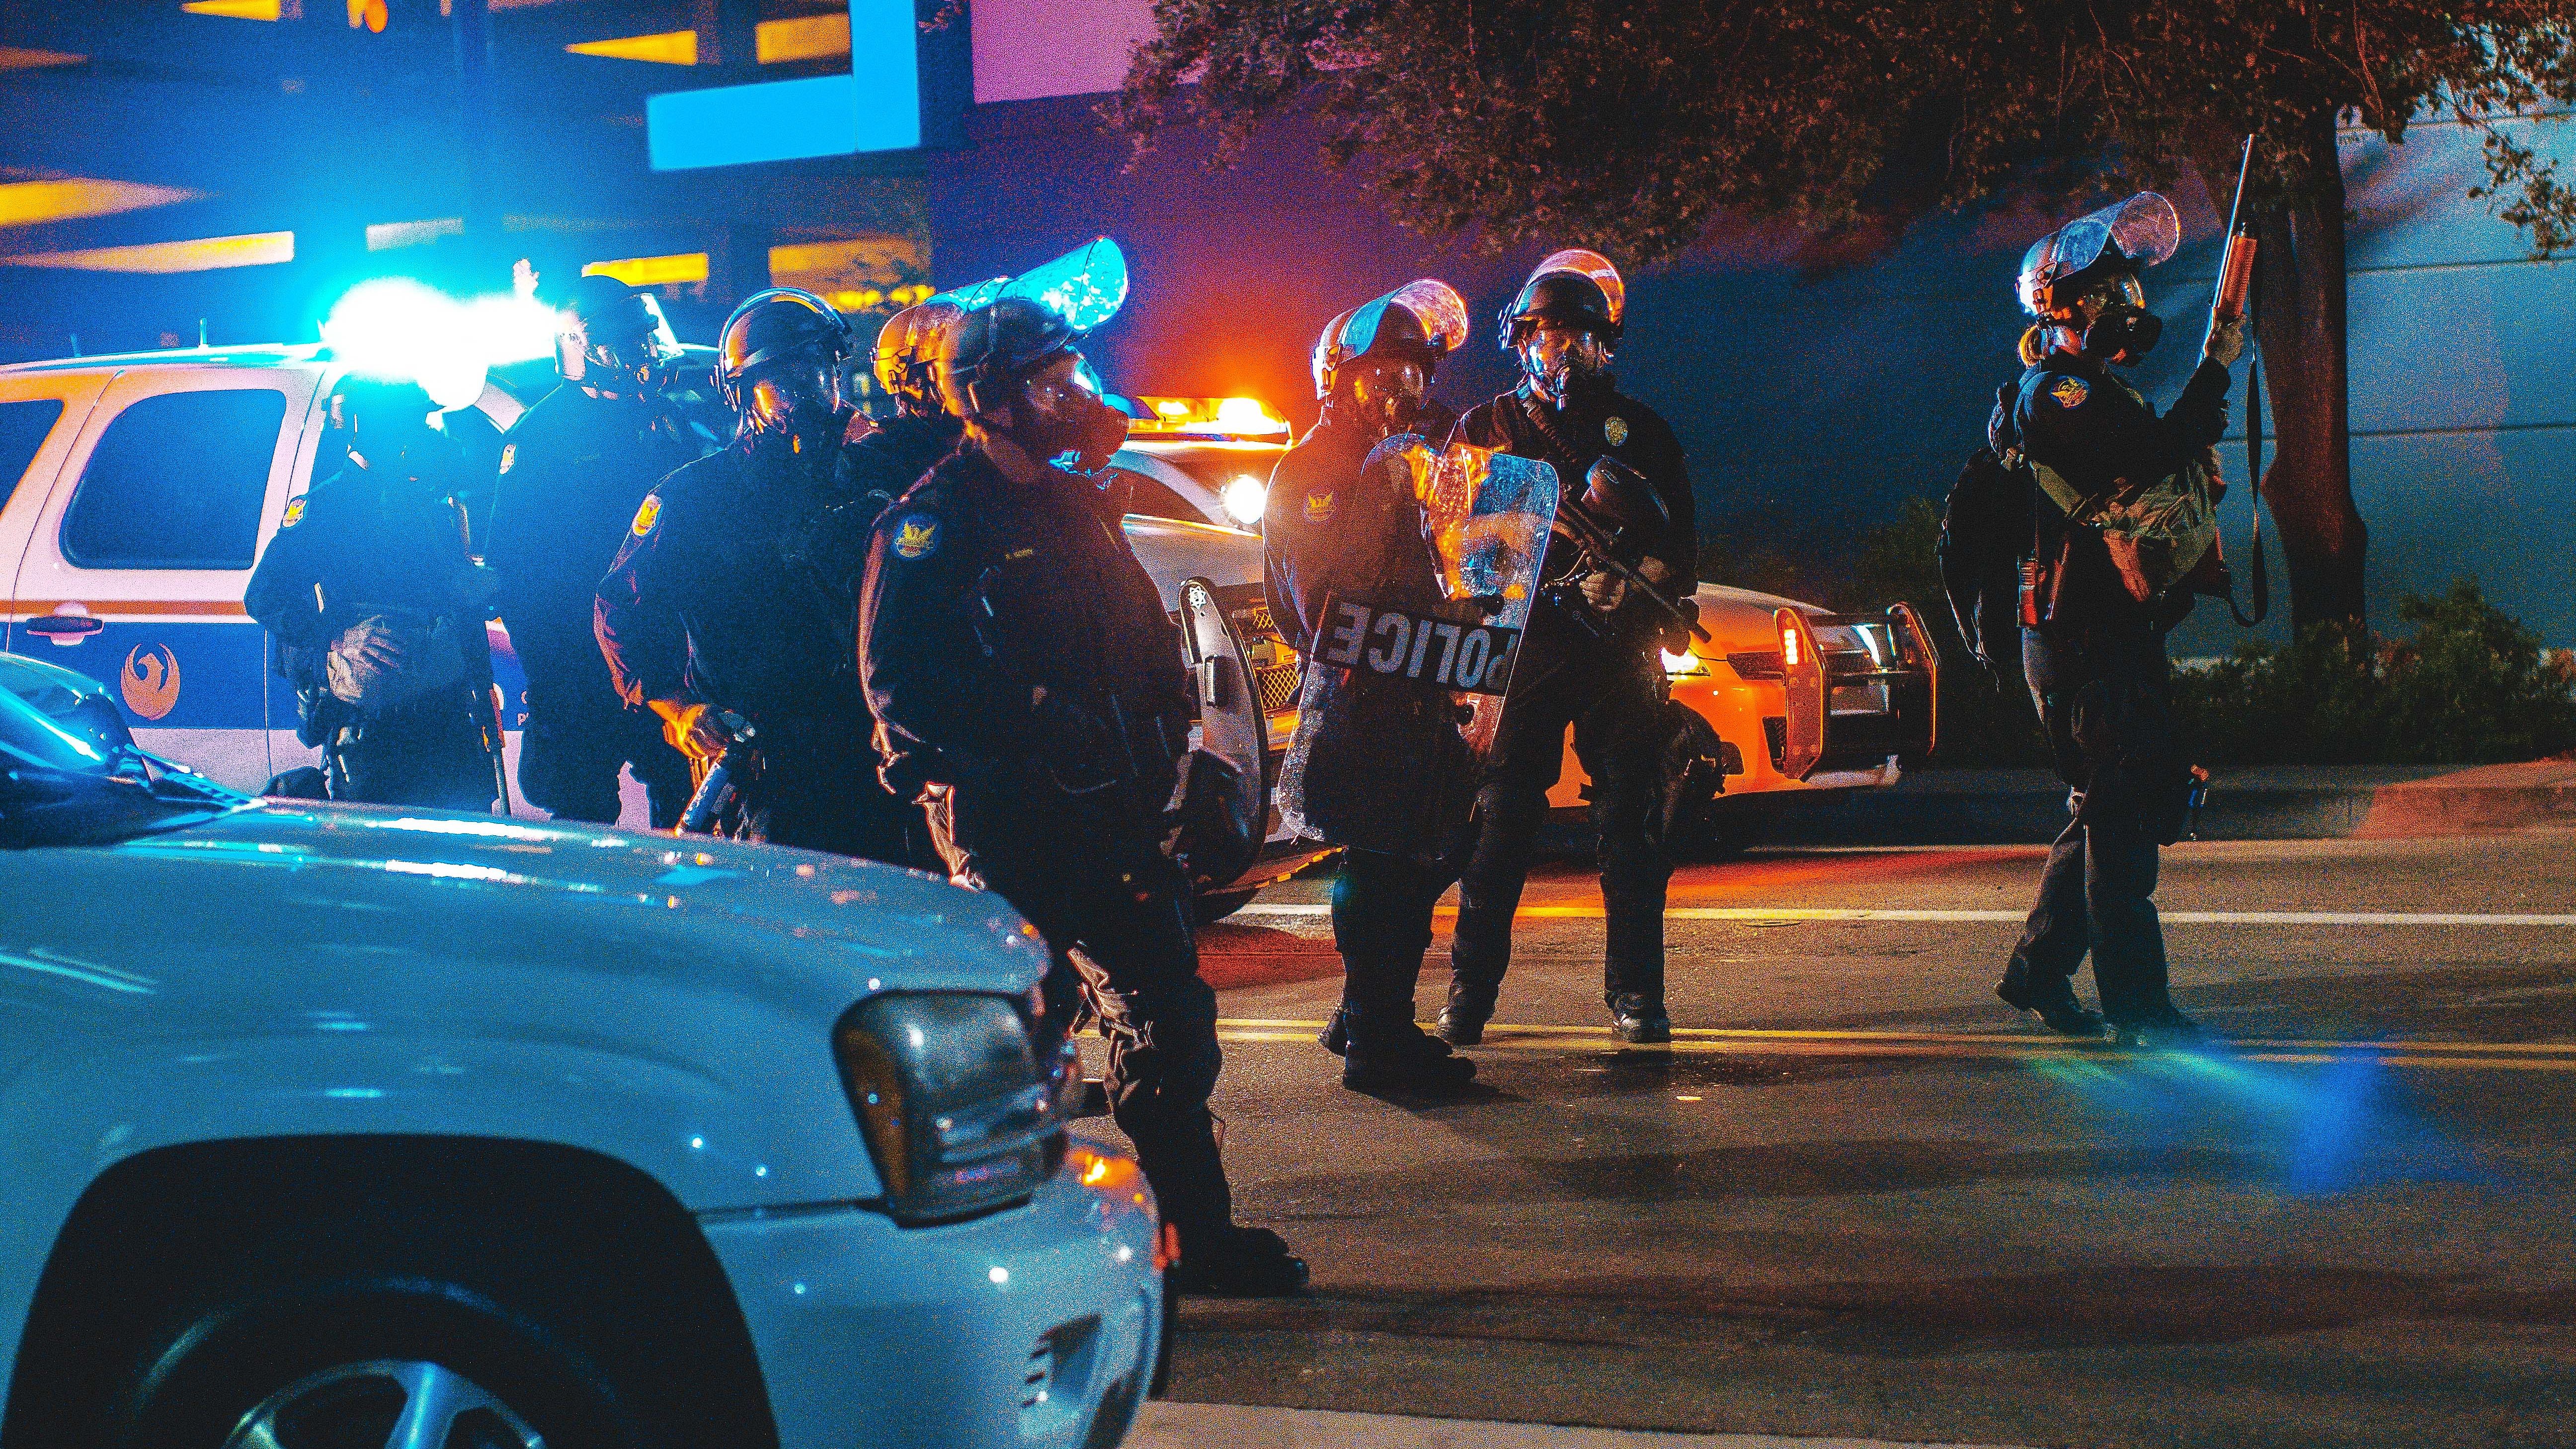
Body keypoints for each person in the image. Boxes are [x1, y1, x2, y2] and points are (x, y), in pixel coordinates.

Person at [857, 295, 1308, 1296]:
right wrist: (1010, 735)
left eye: (1075, 376)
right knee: (1020, 1043)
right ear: (991, 399)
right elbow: (896, 687)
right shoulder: (935, 523)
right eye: (1051, 383)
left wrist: (1186, 759)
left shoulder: (1075, 509)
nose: (1075, 396)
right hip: (1013, 826)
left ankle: (1198, 1235)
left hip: (1114, 814)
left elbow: (1145, 652)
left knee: (1171, 1023)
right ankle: (1012, 1254)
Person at [1994, 193, 2244, 1046]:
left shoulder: (2097, 389)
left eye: (2123, 293)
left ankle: (2033, 974)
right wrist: (2212, 370)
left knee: (2100, 811)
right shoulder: (2056, 393)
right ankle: (2138, 1009)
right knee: (2120, 826)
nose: (2122, 309)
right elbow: (2144, 458)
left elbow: (2152, 476)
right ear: (2061, 311)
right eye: (2102, 296)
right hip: (2078, 640)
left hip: (2107, 633)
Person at [1441, 251, 1697, 1045]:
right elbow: (1448, 539)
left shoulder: (1642, 430)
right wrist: (1518, 572)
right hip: (1522, 654)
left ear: (1606, 347)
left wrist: (1637, 578)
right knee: (1500, 826)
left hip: (1618, 653)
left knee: (1633, 827)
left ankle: (1636, 997)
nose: (1566, 351)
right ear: (1519, 341)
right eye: (1549, 335)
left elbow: (1682, 544)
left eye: (1584, 338)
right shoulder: (1486, 429)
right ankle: (1468, 996)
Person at [593, 287, 916, 862]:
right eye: (781, 379)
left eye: (817, 370)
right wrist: (680, 708)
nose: (806, 391)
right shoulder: (696, 495)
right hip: (767, 769)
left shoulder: (879, 475)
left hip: (877, 757)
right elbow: (621, 609)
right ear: (741, 391)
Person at [1263, 279, 1481, 1095]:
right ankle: (1376, 1041)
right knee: (1381, 860)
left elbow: (1440, 568)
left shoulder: (1406, 464)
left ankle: (1366, 1012)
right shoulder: (1319, 468)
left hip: (1419, 681)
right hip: (1360, 692)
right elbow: (1321, 596)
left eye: (1416, 375)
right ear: (1343, 376)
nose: (1403, 390)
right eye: (1385, 373)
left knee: (1435, 844)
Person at [485, 274, 698, 827]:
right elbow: (514, 570)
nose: (642, 354)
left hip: (660, 662)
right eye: (627, 343)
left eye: (644, 339)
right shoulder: (540, 438)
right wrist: (553, 676)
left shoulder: (665, 421)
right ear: (579, 349)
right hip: (578, 669)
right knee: (583, 817)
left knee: (685, 812)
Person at [245, 379, 503, 811]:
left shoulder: (432, 506)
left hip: (448, 720)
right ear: (374, 427)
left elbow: (461, 608)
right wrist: (335, 637)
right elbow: (264, 595)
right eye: (410, 423)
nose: (423, 433)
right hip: (377, 733)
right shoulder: (328, 506)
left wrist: (483, 695)